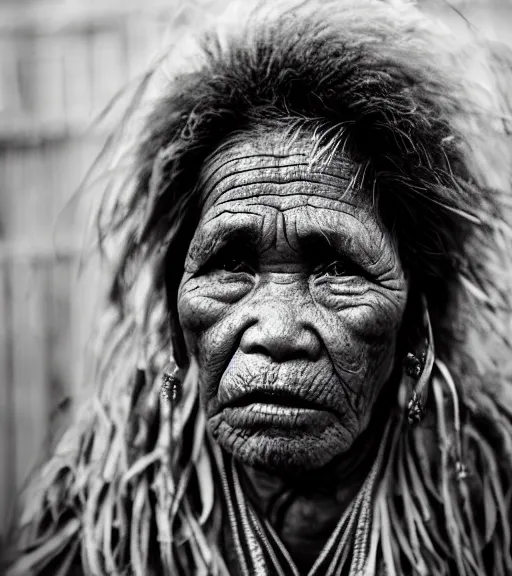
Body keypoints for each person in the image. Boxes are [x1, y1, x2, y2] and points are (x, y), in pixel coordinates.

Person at [4, 0, 512, 574]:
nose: (275, 331)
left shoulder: (490, 509)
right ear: (175, 317)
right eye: (230, 265)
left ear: (419, 316)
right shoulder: (98, 523)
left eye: (338, 269)